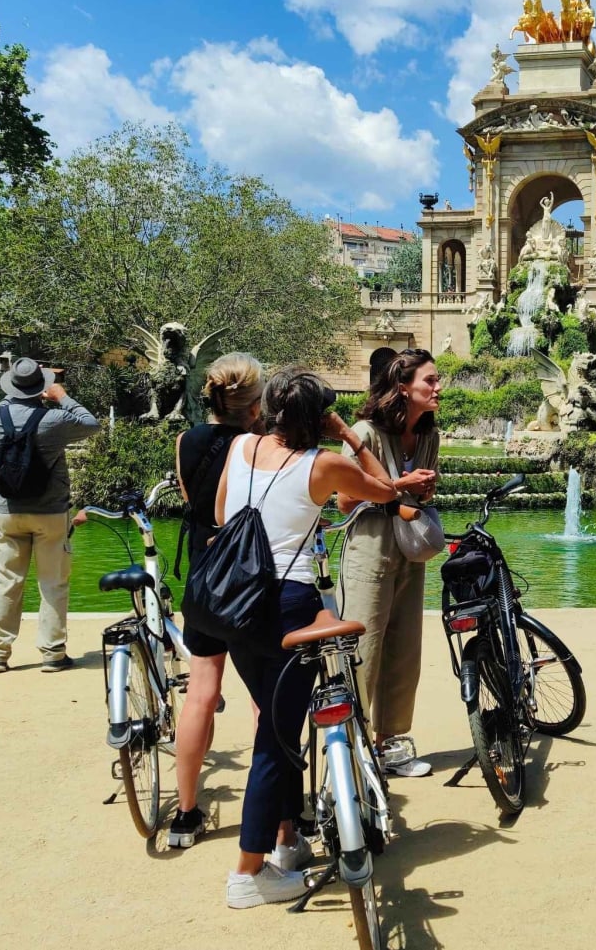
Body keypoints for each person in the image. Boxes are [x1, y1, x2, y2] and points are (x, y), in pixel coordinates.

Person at [216, 368, 398, 909]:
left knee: (278, 727)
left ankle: (287, 837)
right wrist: (346, 433)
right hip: (289, 608)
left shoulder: (242, 445)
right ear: (318, 417)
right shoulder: (325, 464)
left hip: (235, 606)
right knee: (274, 745)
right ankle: (248, 875)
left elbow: (224, 513)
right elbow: (386, 491)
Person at [167, 353, 265, 848]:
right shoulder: (259, 446)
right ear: (254, 404)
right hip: (248, 578)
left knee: (200, 694)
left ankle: (185, 814)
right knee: (261, 696)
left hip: (204, 578)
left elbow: (195, 504)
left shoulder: (187, 440)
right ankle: (272, 803)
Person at [337, 349, 442, 778]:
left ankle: (392, 743)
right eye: (430, 381)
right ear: (403, 387)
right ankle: (354, 746)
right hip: (369, 548)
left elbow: (421, 497)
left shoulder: (429, 435)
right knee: (365, 649)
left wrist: (423, 491)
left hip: (409, 549)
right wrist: (400, 484)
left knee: (404, 651)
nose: (438, 388)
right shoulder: (365, 433)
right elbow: (344, 499)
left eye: (437, 381)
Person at [0, 357, 100, 673]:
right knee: (52, 582)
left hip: (8, 510)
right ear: (41, 386)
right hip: (50, 513)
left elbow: (13, 413)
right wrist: (60, 396)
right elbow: (92, 423)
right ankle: (52, 653)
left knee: (6, 581)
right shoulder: (54, 420)